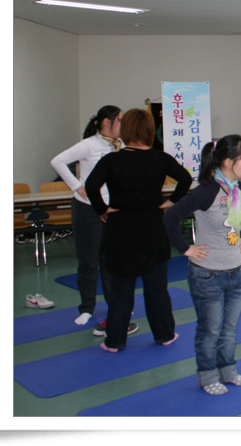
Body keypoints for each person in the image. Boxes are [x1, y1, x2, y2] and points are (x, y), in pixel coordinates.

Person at [84, 108, 192, 352]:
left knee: (121, 290)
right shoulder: (160, 158)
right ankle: (165, 335)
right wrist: (171, 202)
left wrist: (102, 209)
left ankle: (114, 341)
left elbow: (90, 186)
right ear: (150, 132)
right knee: (157, 289)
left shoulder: (112, 160)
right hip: (152, 229)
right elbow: (185, 179)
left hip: (121, 231)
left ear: (125, 131)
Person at [163, 135, 241, 396]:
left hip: (236, 273)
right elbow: (171, 216)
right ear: (227, 161)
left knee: (229, 329)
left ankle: (228, 370)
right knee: (210, 331)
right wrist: (186, 248)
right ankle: (207, 375)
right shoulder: (206, 191)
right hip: (207, 275)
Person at [50, 105, 125, 328]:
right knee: (88, 262)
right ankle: (86, 308)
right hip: (88, 209)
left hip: (112, 209)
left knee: (111, 261)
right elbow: (57, 161)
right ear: (106, 122)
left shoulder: (119, 145)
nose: (122, 124)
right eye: (119, 120)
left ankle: (115, 305)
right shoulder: (88, 145)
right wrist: (77, 186)